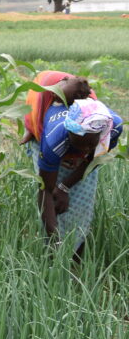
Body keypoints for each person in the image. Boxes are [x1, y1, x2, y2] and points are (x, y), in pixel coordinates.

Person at [29, 98, 122, 258]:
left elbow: (94, 158)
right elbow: (45, 190)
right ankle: (50, 253)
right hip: (49, 143)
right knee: (51, 209)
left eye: (90, 144)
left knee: (80, 204)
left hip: (83, 156)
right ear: (69, 133)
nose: (84, 150)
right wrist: (55, 241)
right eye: (79, 144)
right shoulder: (53, 140)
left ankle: (75, 260)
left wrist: (65, 187)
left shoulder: (112, 128)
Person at [20, 71, 93, 145]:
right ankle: (30, 130)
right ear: (63, 79)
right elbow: (38, 115)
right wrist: (38, 133)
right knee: (34, 113)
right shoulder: (45, 90)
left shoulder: (88, 101)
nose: (54, 94)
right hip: (42, 83)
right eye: (57, 90)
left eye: (60, 98)